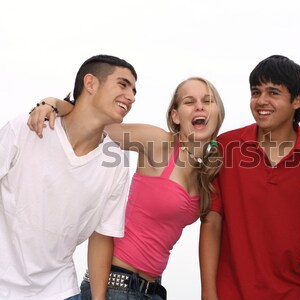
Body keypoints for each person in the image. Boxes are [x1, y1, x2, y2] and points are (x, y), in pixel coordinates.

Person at [29, 77, 225, 300]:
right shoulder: (160, 143)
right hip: (115, 285)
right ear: (175, 116)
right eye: (189, 101)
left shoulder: (207, 171)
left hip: (152, 291)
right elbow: (93, 124)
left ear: (217, 112)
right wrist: (53, 103)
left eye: (207, 101)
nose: (200, 106)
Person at [0, 54, 137, 300]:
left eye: (135, 91)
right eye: (123, 84)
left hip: (59, 289)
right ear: (91, 83)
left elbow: (102, 234)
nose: (131, 96)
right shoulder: (27, 128)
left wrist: (98, 298)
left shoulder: (116, 164)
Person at [199, 55, 300, 300]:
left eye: (273, 93)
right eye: (255, 92)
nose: (261, 101)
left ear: (297, 100)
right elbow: (211, 222)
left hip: (293, 293)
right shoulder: (226, 146)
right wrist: (208, 294)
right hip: (229, 293)